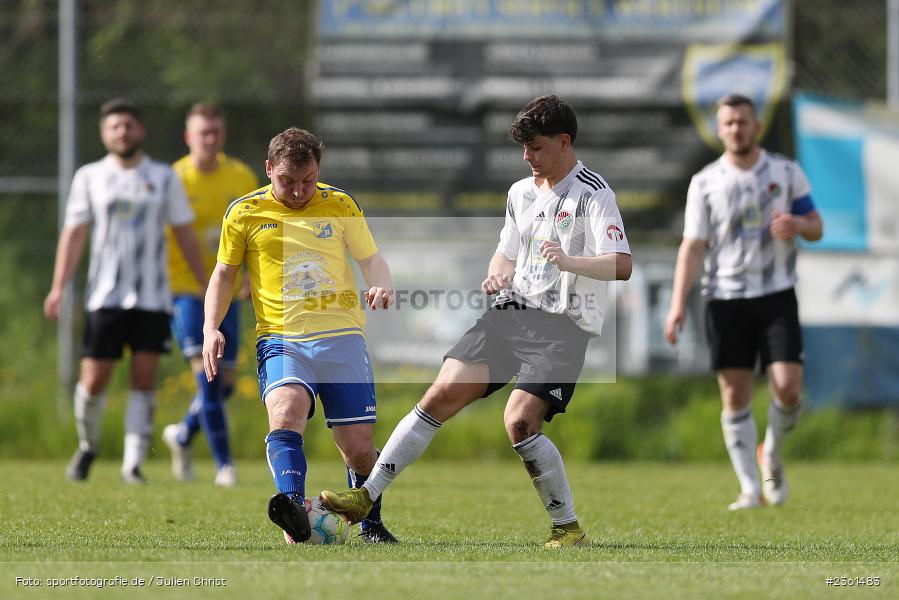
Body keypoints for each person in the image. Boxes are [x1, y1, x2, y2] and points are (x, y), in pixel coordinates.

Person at [321, 95, 633, 548]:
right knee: (438, 396)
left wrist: (571, 261)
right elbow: (506, 252)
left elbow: (622, 265)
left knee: (519, 423)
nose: (527, 156)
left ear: (564, 142)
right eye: (523, 148)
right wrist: (498, 272)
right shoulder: (520, 192)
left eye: (536, 147)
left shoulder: (594, 193)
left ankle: (567, 528)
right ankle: (366, 497)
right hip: (510, 315)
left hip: (562, 328)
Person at [201, 127, 399, 544]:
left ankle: (371, 523)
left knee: (359, 449)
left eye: (307, 181)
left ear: (318, 171)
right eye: (287, 182)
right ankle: (293, 509)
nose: (297, 192)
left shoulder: (340, 204)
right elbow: (223, 274)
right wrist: (210, 328)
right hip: (282, 338)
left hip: (343, 337)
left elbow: (372, 258)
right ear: (269, 168)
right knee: (286, 412)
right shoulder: (244, 212)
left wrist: (380, 283)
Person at [663, 94, 823, 510]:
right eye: (729, 122)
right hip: (725, 299)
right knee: (734, 396)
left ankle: (770, 451)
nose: (736, 129)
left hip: (776, 296)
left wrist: (798, 224)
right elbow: (693, 246)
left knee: (788, 390)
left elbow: (817, 226)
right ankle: (751, 488)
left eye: (743, 121)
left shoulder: (786, 173)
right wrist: (678, 302)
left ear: (757, 126)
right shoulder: (705, 182)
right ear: (720, 130)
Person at [44, 98, 207, 484]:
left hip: (153, 297)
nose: (122, 133)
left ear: (141, 131)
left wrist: (205, 283)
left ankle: (132, 463)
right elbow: (74, 234)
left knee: (144, 377)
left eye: (128, 126)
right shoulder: (89, 177)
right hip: (105, 296)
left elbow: (184, 233)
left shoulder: (164, 177)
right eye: (114, 127)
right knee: (94, 380)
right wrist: (58, 287)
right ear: (104, 133)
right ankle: (88, 446)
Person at [161, 103, 258, 487]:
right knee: (210, 376)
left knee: (228, 381)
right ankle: (225, 466)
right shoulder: (175, 179)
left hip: (228, 293)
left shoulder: (240, 175)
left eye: (215, 131)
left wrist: (251, 274)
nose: (210, 138)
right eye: (203, 132)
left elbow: (257, 230)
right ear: (189, 137)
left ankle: (183, 434)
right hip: (186, 290)